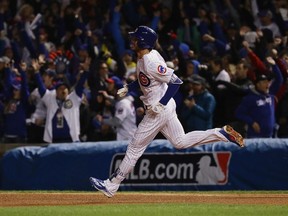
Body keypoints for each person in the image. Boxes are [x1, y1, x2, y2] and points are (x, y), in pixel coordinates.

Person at [87, 26, 244, 197]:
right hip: (162, 107)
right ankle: (221, 133)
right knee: (180, 142)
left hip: (157, 111)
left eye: (135, 38)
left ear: (142, 41)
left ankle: (112, 184)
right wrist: (128, 87)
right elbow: (145, 81)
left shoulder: (150, 61)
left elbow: (176, 82)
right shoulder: (143, 58)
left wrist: (161, 103)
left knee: (134, 148)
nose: (132, 40)